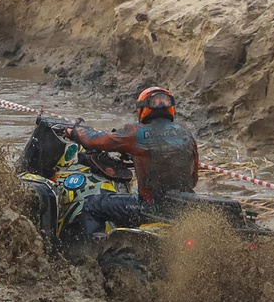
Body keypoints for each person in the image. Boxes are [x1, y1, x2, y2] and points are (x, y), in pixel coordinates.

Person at [57, 86, 200, 209]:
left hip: (148, 207)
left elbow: (96, 140)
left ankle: (93, 242)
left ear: (143, 109)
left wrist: (73, 131)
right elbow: (194, 178)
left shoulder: (136, 132)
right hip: (182, 206)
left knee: (93, 204)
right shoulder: (186, 133)